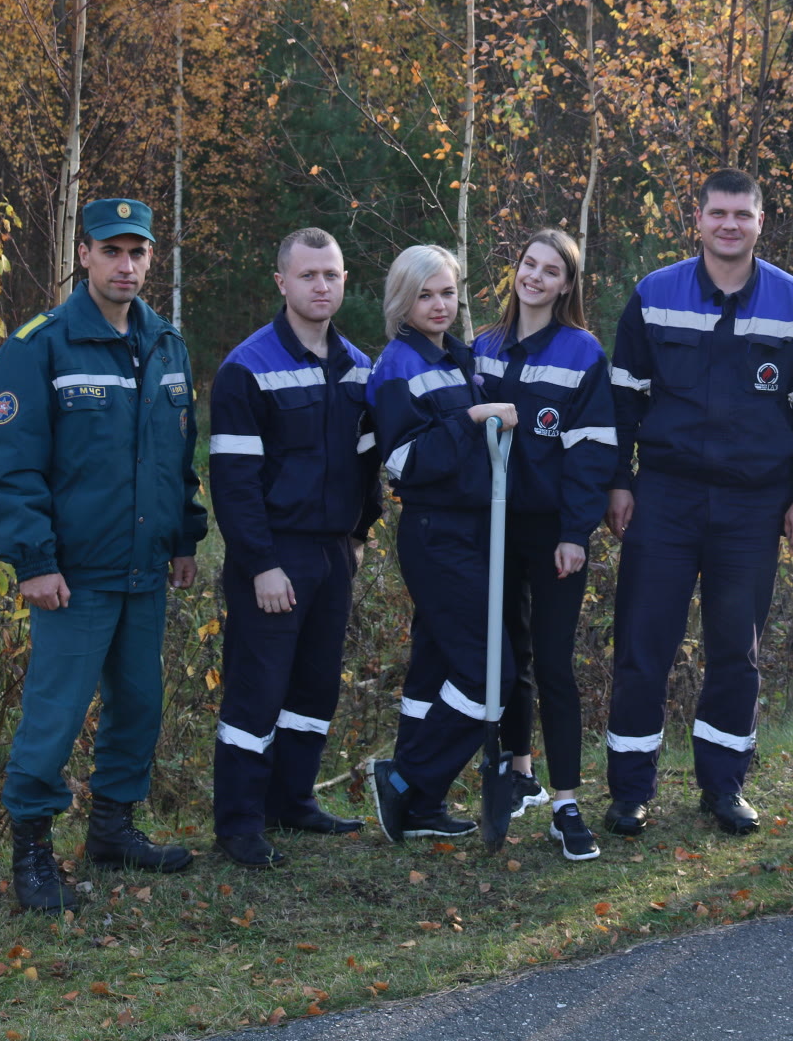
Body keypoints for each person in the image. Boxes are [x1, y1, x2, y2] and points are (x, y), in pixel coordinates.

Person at [0, 197, 207, 913]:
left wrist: (184, 536)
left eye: (138, 252)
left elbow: (178, 454)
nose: (126, 265)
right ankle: (32, 854)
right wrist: (34, 561)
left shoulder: (166, 343)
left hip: (146, 567)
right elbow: (12, 468)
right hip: (72, 576)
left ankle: (112, 832)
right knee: (55, 715)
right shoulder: (40, 344)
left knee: (139, 704)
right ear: (84, 255)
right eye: (112, 250)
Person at [603, 168, 793, 837]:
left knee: (737, 649)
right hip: (666, 498)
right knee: (644, 645)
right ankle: (630, 791)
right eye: (718, 213)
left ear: (762, 222)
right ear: (697, 220)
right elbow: (623, 399)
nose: (730, 224)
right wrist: (619, 481)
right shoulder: (655, 293)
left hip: (753, 505)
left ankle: (724, 786)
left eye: (743, 214)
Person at [206, 228, 381, 867]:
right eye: (308, 275)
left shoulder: (361, 367)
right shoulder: (247, 368)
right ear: (281, 282)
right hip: (273, 556)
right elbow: (234, 481)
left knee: (314, 689)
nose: (321, 286)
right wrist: (260, 564)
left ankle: (293, 800)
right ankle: (240, 823)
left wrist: (360, 535)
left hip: (334, 554)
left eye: (331, 275)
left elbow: (369, 466)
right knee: (258, 690)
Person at [473, 229, 617, 861]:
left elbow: (592, 452)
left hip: (552, 532)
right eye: (528, 264)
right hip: (489, 529)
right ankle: (515, 772)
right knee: (505, 660)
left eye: (550, 270)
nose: (534, 276)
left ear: (566, 285)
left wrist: (574, 532)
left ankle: (565, 802)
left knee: (554, 665)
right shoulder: (480, 348)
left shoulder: (582, 352)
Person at [366, 245, 518, 842]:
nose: (439, 305)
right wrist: (472, 419)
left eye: (448, 293)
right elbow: (402, 460)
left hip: (476, 529)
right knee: (491, 671)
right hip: (436, 534)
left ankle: (418, 807)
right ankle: (406, 779)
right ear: (403, 300)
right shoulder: (397, 366)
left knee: (436, 669)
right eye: (425, 294)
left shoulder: (460, 357)